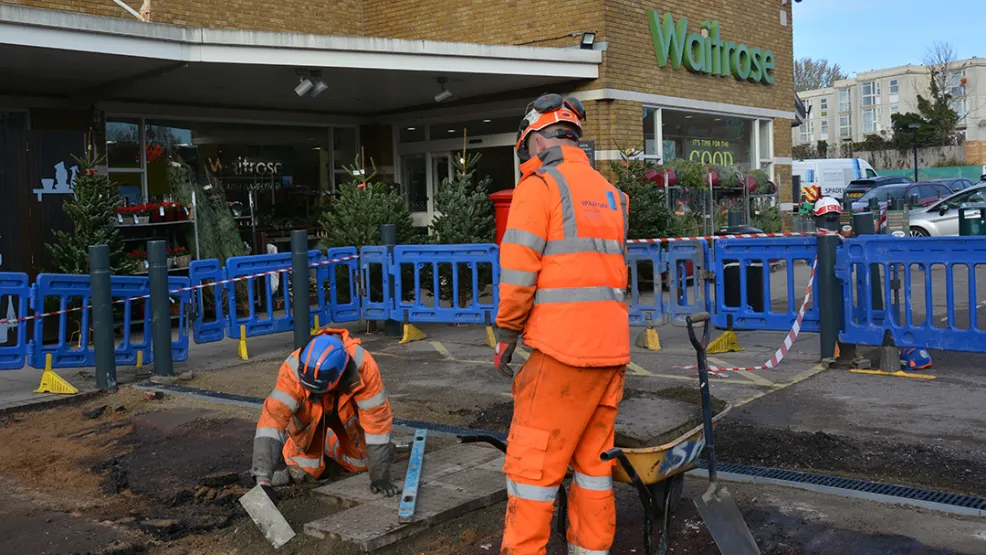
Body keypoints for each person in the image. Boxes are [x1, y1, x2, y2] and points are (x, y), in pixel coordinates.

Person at [493, 94, 630, 555]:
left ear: (532, 142)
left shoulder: (540, 187)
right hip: (610, 354)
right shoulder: (612, 195)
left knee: (532, 469)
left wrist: (507, 334)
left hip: (560, 352)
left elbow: (517, 275)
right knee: (594, 467)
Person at [251, 329, 398, 497]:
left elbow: (376, 422)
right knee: (305, 471)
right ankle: (301, 450)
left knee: (362, 464)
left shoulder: (364, 366)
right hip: (310, 417)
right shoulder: (292, 371)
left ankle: (329, 442)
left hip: (345, 414)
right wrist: (263, 480)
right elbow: (272, 422)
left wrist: (379, 476)